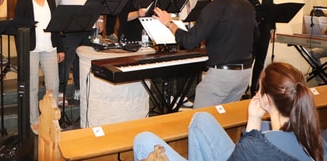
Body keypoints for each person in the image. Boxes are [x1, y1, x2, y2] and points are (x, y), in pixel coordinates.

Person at [133, 62, 327, 161]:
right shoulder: (314, 140)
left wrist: (253, 122)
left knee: (143, 140)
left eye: (258, 89)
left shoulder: (256, 146)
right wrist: (255, 122)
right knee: (201, 118)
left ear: (266, 99)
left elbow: (251, 148)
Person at [154, 0, 257, 108]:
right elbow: (256, 37)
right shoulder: (247, 5)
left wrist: (169, 23)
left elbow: (189, 41)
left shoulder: (213, 8)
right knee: (225, 119)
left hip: (223, 75)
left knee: (201, 119)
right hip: (244, 75)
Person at [14, 0, 65, 135]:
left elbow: (57, 24)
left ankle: (52, 119)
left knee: (53, 84)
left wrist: (60, 48)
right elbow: (17, 28)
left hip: (50, 46)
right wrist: (21, 52)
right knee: (32, 87)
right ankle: (34, 120)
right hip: (31, 48)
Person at [49, 0, 100, 104]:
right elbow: (52, 3)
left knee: (84, 59)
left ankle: (80, 89)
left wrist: (100, 21)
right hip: (69, 28)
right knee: (67, 61)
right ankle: (61, 91)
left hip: (88, 26)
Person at [240, 0, 274, 96]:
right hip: (250, 31)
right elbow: (243, 13)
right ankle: (243, 88)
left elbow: (272, 12)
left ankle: (255, 87)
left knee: (260, 60)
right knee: (248, 60)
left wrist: (272, 29)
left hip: (265, 29)